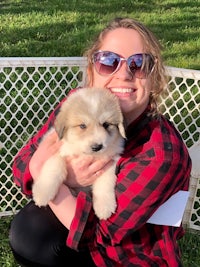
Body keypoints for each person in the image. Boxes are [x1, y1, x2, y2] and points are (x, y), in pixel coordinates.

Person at [9, 17, 192, 267]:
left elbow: (101, 234)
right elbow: (21, 165)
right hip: (79, 225)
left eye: (139, 64)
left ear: (154, 76)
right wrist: (60, 175)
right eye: (108, 61)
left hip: (131, 257)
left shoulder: (160, 152)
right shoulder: (75, 105)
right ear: (91, 72)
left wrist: (47, 175)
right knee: (31, 231)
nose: (124, 74)